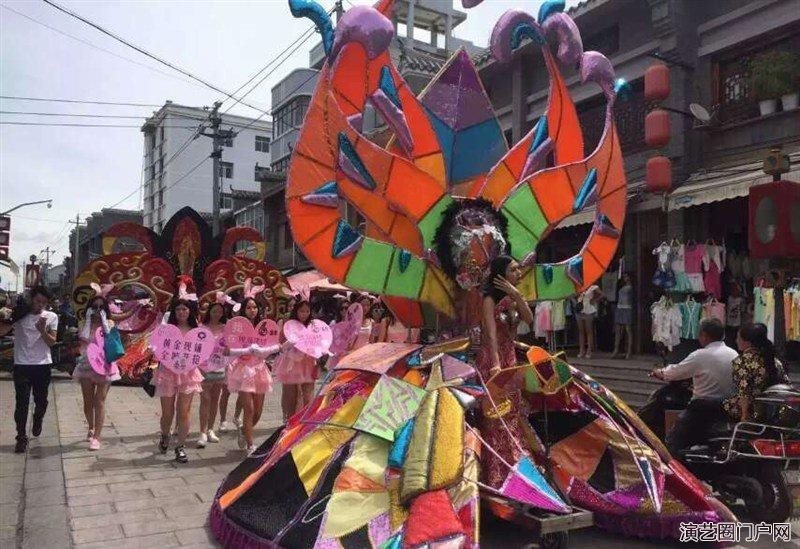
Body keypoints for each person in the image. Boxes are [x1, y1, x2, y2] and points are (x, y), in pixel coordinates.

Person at [475, 255, 535, 488]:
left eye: (519, 269)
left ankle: (517, 470)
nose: (519, 273)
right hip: (493, 359)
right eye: (514, 270)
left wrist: (517, 294)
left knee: (512, 415)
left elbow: (529, 320)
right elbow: (490, 334)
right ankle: (495, 475)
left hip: (510, 358)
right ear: (501, 274)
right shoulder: (489, 299)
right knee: (494, 416)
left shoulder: (513, 298)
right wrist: (496, 364)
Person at [650, 318, 737, 455]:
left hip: (701, 409)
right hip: (726, 407)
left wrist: (659, 372)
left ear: (704, 335)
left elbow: (674, 373)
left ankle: (672, 469)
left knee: (672, 443)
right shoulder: (734, 354)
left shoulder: (700, 356)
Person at [0, 286, 58, 453]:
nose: (40, 305)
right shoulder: (19, 315)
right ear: (31, 299)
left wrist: (42, 330)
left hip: (42, 365)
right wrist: (9, 319)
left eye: (44, 302)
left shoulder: (51, 316)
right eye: (38, 301)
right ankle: (21, 437)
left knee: (41, 401)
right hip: (22, 365)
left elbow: (52, 342)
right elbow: (3, 331)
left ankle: (38, 418)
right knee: (22, 403)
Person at [153, 298, 204, 463]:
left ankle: (180, 446)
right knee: (167, 413)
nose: (182, 312)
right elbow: (156, 347)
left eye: (185, 309)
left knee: (184, 412)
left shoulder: (197, 330)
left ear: (190, 311)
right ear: (174, 312)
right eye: (179, 309)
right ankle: (165, 435)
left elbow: (204, 351)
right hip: (167, 372)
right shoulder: (166, 330)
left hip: (188, 374)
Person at [73, 293, 121, 450]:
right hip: (86, 365)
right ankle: (91, 427)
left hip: (104, 366)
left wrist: (105, 322)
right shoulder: (83, 323)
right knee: (88, 402)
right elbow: (84, 337)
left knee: (99, 401)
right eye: (94, 307)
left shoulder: (110, 323)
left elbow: (110, 338)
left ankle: (97, 437)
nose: (98, 310)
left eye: (101, 307)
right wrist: (88, 319)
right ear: (89, 309)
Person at [225, 297, 273, 454]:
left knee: (258, 412)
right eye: (249, 308)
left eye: (254, 307)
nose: (252, 310)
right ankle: (250, 445)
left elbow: (271, 346)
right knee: (249, 409)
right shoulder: (237, 327)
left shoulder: (264, 326)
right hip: (244, 370)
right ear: (243, 310)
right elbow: (230, 347)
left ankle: (245, 432)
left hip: (260, 370)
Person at [723, 322, 788, 422]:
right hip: (775, 411)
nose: (736, 341)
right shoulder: (775, 361)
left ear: (748, 342)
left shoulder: (742, 362)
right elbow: (785, 386)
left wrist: (744, 416)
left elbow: (744, 392)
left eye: (738, 338)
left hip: (752, 411)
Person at [273, 300, 319, 422]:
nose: (305, 314)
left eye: (307, 311)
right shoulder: (288, 325)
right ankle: (289, 421)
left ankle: (305, 423)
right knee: (291, 397)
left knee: (308, 396)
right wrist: (291, 342)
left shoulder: (314, 325)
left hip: (309, 363)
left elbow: (320, 344)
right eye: (301, 311)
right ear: (296, 311)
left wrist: (318, 361)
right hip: (292, 363)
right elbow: (280, 344)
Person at [197, 300, 228, 448]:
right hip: (204, 368)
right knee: (205, 399)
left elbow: (231, 346)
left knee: (215, 399)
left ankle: (210, 429)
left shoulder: (227, 328)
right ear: (209, 311)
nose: (217, 313)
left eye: (220, 311)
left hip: (220, 368)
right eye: (214, 310)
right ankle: (202, 431)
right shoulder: (202, 328)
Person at [612, 273, 634, 359]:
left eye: (627, 276)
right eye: (624, 277)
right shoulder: (622, 286)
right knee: (618, 329)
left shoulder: (631, 287)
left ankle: (629, 351)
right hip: (619, 307)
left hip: (627, 308)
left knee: (628, 330)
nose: (626, 278)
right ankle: (616, 349)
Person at [577, 283, 602, 358]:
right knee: (581, 331)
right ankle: (582, 350)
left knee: (589, 330)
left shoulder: (593, 286)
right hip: (580, 309)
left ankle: (589, 350)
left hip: (589, 310)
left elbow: (602, 295)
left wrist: (594, 300)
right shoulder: (580, 285)